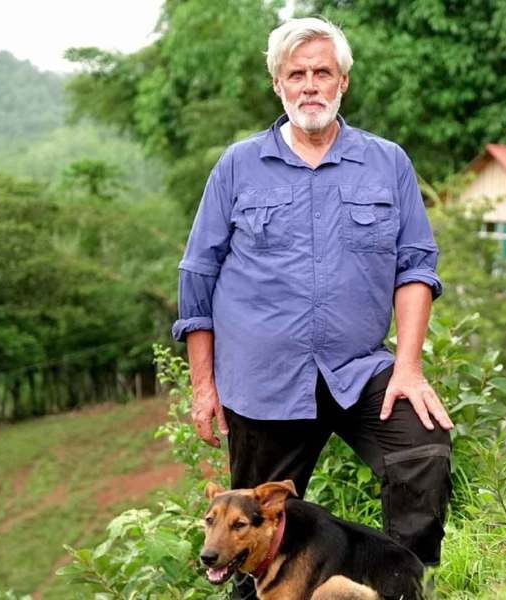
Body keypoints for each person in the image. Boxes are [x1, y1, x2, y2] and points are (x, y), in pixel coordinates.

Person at [172, 17, 453, 598]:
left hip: (357, 368)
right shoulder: (237, 166)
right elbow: (198, 277)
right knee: (249, 537)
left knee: (422, 447)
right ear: (278, 85)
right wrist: (204, 386)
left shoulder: (387, 162)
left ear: (343, 81)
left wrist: (409, 366)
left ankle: (403, 584)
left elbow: (416, 267)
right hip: (262, 382)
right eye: (295, 74)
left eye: (321, 72)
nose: (309, 85)